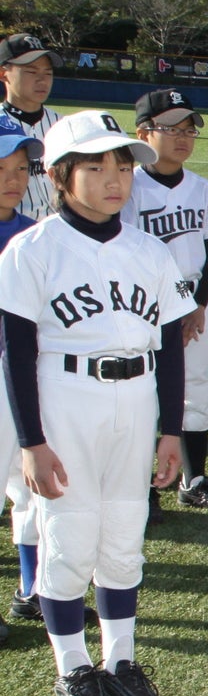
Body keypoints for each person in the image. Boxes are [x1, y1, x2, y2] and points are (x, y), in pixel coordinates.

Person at [0, 111, 192, 696]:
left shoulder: (148, 250)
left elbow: (168, 347)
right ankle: (73, 668)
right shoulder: (32, 250)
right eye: (95, 165)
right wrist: (31, 441)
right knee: (69, 533)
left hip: (135, 399)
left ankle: (121, 660)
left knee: (123, 533)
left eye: (123, 164)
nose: (114, 177)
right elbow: (18, 353)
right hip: (65, 394)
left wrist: (170, 431)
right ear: (58, 175)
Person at [124, 88, 208, 517]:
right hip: (141, 305)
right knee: (140, 394)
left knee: (196, 389)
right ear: (144, 133)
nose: (183, 138)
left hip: (189, 306)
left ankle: (194, 478)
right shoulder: (129, 186)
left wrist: (199, 305)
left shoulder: (202, 189)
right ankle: (139, 485)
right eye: (172, 129)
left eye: (189, 130)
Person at [0, 113, 42, 640]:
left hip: (25, 374)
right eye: (1, 166)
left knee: (30, 490)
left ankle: (32, 590)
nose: (13, 177)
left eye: (20, 166)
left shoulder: (33, 235)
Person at [0, 34, 60, 220]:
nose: (42, 80)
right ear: (3, 74)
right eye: (32, 72)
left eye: (48, 73)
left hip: (59, 236)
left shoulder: (65, 127)